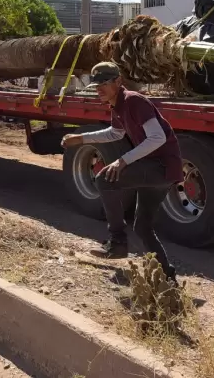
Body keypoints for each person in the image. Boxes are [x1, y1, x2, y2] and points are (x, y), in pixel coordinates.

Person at [61, 62, 184, 281]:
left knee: (105, 179)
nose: (99, 89)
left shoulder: (133, 101)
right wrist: (80, 139)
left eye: (104, 84)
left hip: (161, 167)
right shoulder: (117, 105)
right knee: (143, 226)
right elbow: (115, 133)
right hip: (160, 171)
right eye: (96, 85)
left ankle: (117, 242)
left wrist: (122, 161)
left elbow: (158, 137)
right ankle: (167, 278)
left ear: (118, 82)